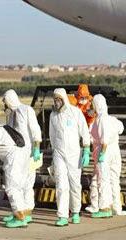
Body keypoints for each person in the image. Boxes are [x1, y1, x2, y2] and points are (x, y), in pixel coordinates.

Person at [49, 88, 91, 226]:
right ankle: (62, 215)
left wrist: (86, 149)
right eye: (55, 99)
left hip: (74, 154)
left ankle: (75, 212)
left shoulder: (75, 112)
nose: (57, 101)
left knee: (75, 184)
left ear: (64, 99)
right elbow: (52, 135)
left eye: (59, 98)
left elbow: (84, 130)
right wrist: (54, 152)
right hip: (59, 153)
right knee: (61, 185)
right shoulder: (53, 115)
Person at [2, 89, 42, 224]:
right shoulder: (12, 114)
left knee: (27, 183)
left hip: (29, 152)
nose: (4, 104)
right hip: (17, 153)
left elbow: (35, 129)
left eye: (5, 101)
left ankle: (27, 212)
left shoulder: (26, 110)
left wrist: (36, 148)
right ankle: (20, 211)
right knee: (18, 182)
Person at [89, 94, 125, 217]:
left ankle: (105, 209)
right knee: (114, 180)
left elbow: (103, 139)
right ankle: (116, 207)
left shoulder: (100, 120)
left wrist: (102, 154)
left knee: (103, 180)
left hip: (104, 152)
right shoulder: (112, 119)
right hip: (115, 152)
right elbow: (121, 128)